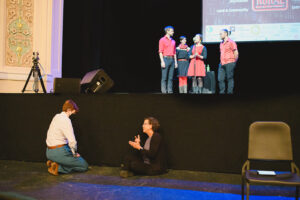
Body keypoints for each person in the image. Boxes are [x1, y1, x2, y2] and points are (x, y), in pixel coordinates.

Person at [46, 100, 88, 175]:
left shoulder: (56, 116)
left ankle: (54, 162)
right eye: (72, 111)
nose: (72, 113)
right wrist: (74, 153)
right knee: (83, 166)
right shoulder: (66, 120)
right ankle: (58, 167)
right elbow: (72, 141)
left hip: (49, 152)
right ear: (68, 110)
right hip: (58, 152)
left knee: (69, 152)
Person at [218, 29, 239, 94]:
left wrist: (234, 62)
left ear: (225, 34)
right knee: (220, 79)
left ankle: (229, 93)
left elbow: (236, 52)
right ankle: (222, 92)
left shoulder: (231, 42)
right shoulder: (221, 43)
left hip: (230, 62)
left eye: (221, 34)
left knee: (229, 78)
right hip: (222, 63)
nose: (220, 35)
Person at [159, 26, 178, 94]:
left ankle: (170, 91)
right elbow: (160, 51)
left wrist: (175, 62)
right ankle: (164, 92)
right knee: (164, 77)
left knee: (171, 78)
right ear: (167, 31)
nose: (173, 32)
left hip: (172, 59)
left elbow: (174, 52)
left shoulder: (173, 41)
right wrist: (162, 61)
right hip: (165, 59)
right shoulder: (162, 40)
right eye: (172, 31)